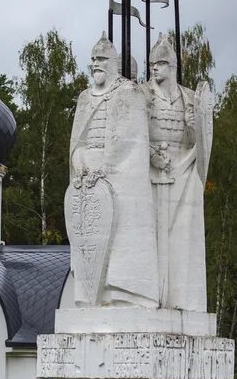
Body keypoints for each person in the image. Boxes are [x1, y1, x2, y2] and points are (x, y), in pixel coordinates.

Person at [67, 31, 159, 307]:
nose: (96, 63)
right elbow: (77, 141)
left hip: (120, 180)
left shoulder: (129, 92)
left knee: (123, 244)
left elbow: (133, 142)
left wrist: (105, 168)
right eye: (93, 58)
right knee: (88, 238)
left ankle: (124, 293)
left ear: (114, 63)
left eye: (102, 58)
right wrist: (80, 161)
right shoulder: (85, 98)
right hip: (88, 181)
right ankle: (89, 295)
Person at [141, 32, 213, 310]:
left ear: (171, 66)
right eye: (151, 65)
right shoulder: (143, 94)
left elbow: (200, 143)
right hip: (151, 173)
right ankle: (151, 297)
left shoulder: (190, 98)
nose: (154, 69)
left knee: (179, 239)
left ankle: (178, 298)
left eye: (159, 64)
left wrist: (194, 126)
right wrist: (151, 155)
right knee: (153, 240)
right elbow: (133, 134)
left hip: (182, 173)